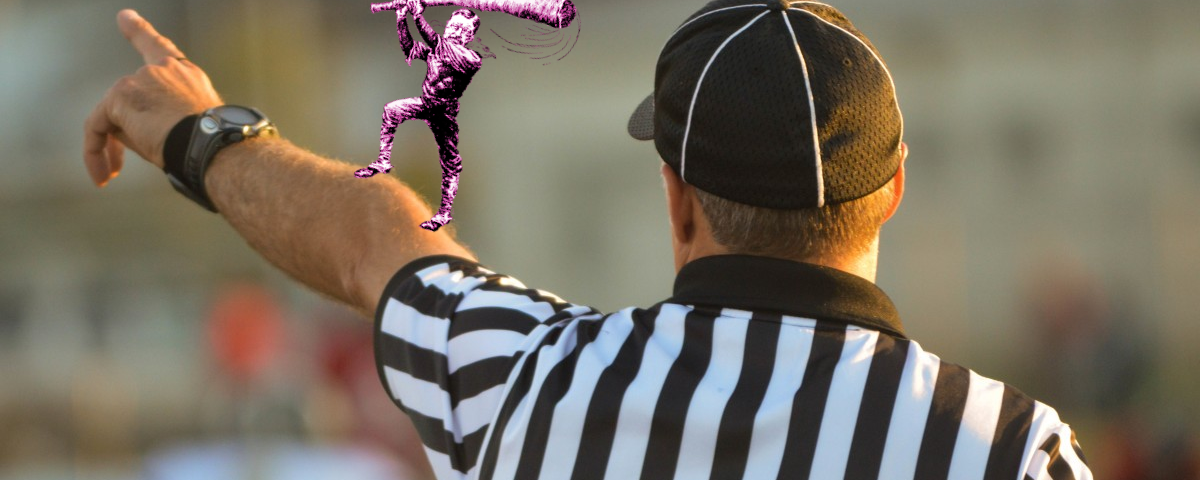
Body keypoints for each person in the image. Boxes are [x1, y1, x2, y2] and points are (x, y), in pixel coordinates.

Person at [82, 1, 1094, 479]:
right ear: (893, 192)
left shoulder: (525, 384)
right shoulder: (1008, 450)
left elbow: (368, 241)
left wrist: (198, 133)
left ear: (676, 198)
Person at [355, 0, 483, 232]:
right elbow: (410, 48)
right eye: (454, 26)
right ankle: (384, 160)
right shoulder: (437, 50)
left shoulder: (470, 58)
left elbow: (433, 40)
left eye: (464, 30)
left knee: (451, 162)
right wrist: (401, 18)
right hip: (426, 102)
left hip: (444, 111)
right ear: (447, 26)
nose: (457, 32)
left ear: (470, 36)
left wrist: (417, 15)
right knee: (392, 110)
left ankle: (444, 213)